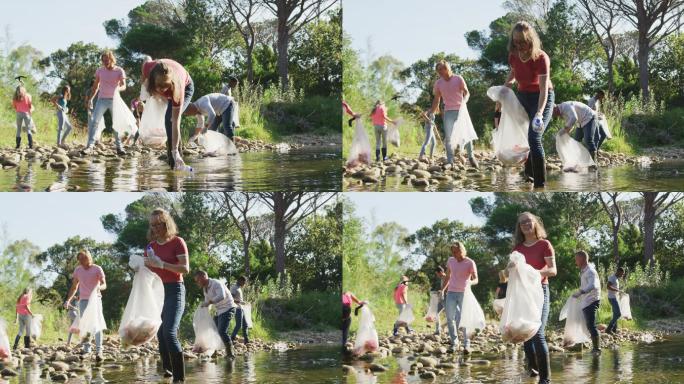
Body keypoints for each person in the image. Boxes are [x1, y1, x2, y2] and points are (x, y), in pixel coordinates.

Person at [505, 21, 555, 187]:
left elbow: (543, 89)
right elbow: (513, 72)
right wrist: (505, 88)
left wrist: (540, 113)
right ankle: (528, 175)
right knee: (525, 136)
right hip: (523, 96)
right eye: (515, 42)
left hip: (542, 98)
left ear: (531, 41)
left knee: (534, 136)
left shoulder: (541, 58)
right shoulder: (513, 55)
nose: (518, 46)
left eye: (522, 42)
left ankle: (540, 185)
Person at [143, 208, 190, 382]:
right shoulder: (150, 247)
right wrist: (139, 266)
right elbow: (147, 272)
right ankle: (168, 370)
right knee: (161, 334)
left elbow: (185, 268)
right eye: (152, 225)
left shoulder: (177, 241)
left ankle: (180, 379)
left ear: (166, 223)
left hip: (175, 290)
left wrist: (162, 264)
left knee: (169, 332)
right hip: (157, 293)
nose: (155, 228)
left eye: (158, 224)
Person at [513, 212, 556, 384]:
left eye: (528, 221)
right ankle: (533, 371)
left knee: (537, 333)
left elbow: (553, 270)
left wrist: (533, 273)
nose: (525, 224)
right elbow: (512, 273)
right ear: (519, 227)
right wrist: (508, 271)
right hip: (523, 293)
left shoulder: (544, 244)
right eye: (522, 222)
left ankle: (545, 380)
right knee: (526, 334)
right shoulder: (517, 249)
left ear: (535, 223)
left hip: (541, 290)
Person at [142, 58, 195, 170]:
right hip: (161, 82)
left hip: (186, 87)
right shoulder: (147, 68)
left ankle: (176, 157)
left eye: (165, 86)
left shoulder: (178, 88)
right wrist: (146, 87)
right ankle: (173, 158)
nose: (163, 90)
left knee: (170, 119)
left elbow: (175, 121)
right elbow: (145, 63)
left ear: (170, 82)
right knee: (166, 118)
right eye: (159, 86)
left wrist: (174, 151)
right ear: (153, 79)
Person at [428, 60, 478, 168]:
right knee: (449, 137)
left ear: (447, 68)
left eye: (442, 69)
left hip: (461, 110)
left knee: (466, 134)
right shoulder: (438, 83)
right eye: (438, 70)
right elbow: (437, 99)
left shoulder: (458, 78)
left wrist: (465, 100)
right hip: (448, 112)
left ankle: (471, 156)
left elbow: (467, 92)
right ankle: (450, 161)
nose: (440, 71)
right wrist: (431, 112)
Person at [64, 250, 107, 361]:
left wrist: (99, 288)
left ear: (89, 257)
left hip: (96, 299)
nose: (82, 261)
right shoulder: (78, 270)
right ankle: (87, 349)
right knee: (85, 325)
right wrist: (68, 300)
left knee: (97, 324)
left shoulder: (97, 268)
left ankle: (99, 351)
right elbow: (74, 287)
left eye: (84, 258)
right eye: (80, 260)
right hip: (83, 301)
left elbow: (104, 284)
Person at [83, 50, 127, 156]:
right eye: (103, 61)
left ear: (112, 59)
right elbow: (95, 86)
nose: (105, 63)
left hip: (114, 100)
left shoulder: (119, 70)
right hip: (101, 99)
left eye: (107, 60)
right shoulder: (99, 71)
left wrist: (118, 90)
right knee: (94, 122)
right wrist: (90, 99)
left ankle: (119, 148)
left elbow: (124, 85)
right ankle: (90, 147)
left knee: (116, 123)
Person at [441, 241, 478, 354]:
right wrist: (442, 289)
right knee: (450, 318)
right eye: (452, 252)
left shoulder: (470, 262)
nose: (454, 254)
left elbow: (476, 279)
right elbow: (448, 275)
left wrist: (470, 283)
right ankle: (455, 343)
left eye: (456, 252)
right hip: (451, 293)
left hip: (464, 294)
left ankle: (467, 344)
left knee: (465, 318)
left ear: (461, 250)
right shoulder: (451, 261)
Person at [193, 270, 236, 358]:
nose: (197, 282)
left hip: (228, 307)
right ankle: (214, 352)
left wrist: (209, 302)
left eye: (198, 280)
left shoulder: (216, 283)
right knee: (214, 330)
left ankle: (230, 354)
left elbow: (221, 296)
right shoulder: (205, 289)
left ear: (204, 277)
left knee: (222, 331)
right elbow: (206, 302)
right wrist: (203, 310)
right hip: (219, 310)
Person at [572, 250, 601, 354]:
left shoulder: (590, 271)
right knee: (587, 324)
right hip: (586, 300)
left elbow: (593, 285)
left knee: (591, 325)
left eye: (576, 259)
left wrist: (580, 291)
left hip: (592, 300)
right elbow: (586, 285)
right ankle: (589, 346)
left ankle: (597, 349)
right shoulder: (584, 271)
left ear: (582, 259)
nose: (575, 262)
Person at [587, 90, 609, 156]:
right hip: (591, 121)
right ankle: (593, 151)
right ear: (599, 94)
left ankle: (596, 150)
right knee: (596, 137)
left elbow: (595, 111)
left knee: (603, 134)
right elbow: (589, 111)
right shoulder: (591, 100)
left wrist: (600, 114)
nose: (602, 98)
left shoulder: (597, 101)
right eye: (602, 96)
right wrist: (597, 115)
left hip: (597, 120)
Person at [230, 276, 250, 344]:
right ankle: (231, 339)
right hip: (237, 308)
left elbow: (238, 299)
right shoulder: (234, 288)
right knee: (239, 325)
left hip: (241, 308)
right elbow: (231, 299)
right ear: (240, 281)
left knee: (245, 325)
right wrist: (240, 302)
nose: (244, 284)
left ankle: (246, 341)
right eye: (244, 282)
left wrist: (243, 302)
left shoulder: (239, 288)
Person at [606, 267, 625, 334]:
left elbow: (614, 287)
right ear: (618, 271)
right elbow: (608, 286)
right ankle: (608, 329)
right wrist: (617, 290)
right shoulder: (612, 277)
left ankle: (614, 329)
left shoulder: (616, 278)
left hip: (614, 297)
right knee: (618, 314)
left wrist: (619, 292)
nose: (622, 275)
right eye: (622, 274)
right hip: (612, 298)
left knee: (615, 313)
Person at [430, 266, 446, 335]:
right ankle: (438, 330)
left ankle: (443, 328)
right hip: (442, 298)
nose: (437, 275)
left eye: (437, 274)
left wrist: (442, 291)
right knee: (435, 312)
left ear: (441, 272)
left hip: (447, 299)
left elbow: (449, 288)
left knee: (451, 315)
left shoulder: (446, 277)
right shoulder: (442, 278)